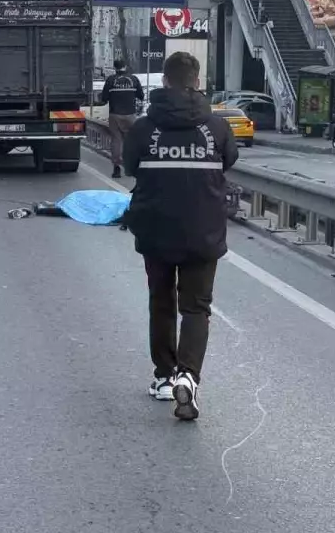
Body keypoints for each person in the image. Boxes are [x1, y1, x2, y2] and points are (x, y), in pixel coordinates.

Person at [123, 52, 238, 420]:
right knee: (196, 308)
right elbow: (230, 161)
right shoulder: (217, 127)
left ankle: (163, 376)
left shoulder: (144, 128)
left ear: (166, 82)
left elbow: (129, 167)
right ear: (197, 82)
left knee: (161, 302)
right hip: (203, 231)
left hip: (156, 229)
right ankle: (188, 376)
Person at [100, 59, 144, 178]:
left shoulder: (110, 80)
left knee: (116, 141)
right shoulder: (133, 79)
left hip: (115, 115)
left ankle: (117, 168)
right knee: (131, 141)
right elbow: (141, 96)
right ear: (125, 66)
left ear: (115, 67)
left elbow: (104, 98)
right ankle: (132, 167)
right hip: (130, 114)